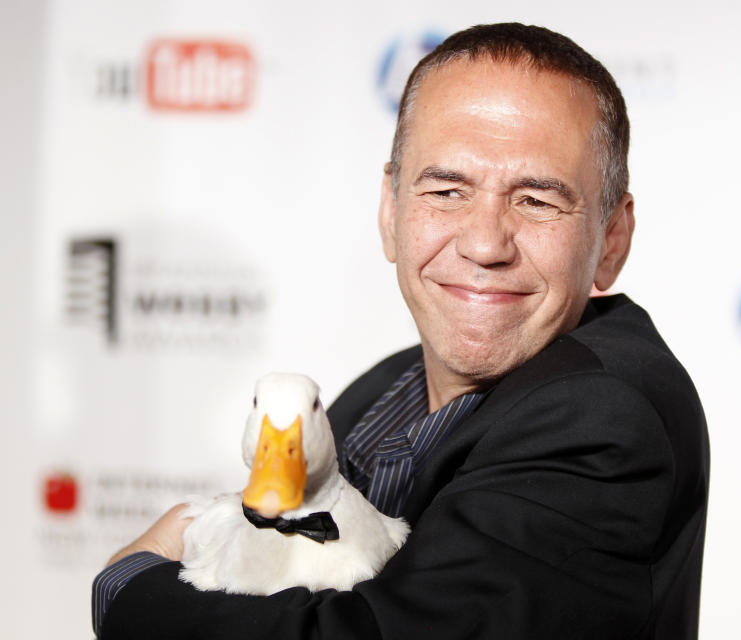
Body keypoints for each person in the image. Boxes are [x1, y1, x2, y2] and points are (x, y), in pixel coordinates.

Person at [92, 22, 709, 639]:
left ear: (612, 239)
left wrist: (129, 585)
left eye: (537, 201)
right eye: (446, 190)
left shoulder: (603, 415)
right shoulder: (386, 385)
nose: (485, 243)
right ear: (391, 212)